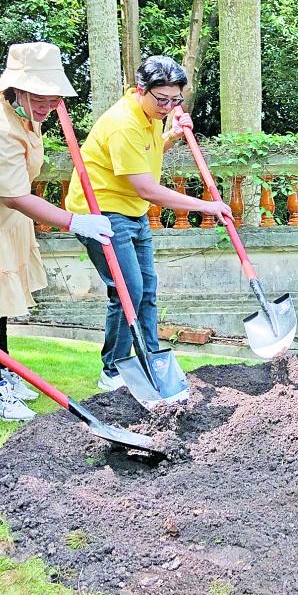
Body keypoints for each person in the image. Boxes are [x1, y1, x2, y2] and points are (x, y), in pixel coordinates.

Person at [0, 42, 115, 421]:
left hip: (3, 224)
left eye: (54, 98)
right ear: (16, 88)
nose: (48, 106)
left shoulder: (24, 110)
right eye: (40, 97)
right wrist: (74, 220)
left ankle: (1, 372)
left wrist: (43, 105)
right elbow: (13, 195)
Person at [65, 55, 234, 391]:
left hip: (133, 210)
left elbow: (146, 153)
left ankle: (151, 361)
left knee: (147, 290)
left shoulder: (150, 115)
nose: (168, 106)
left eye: (175, 99)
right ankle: (113, 370)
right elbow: (147, 188)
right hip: (101, 213)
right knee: (128, 290)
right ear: (141, 89)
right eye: (162, 99)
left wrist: (171, 135)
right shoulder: (123, 123)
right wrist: (207, 206)